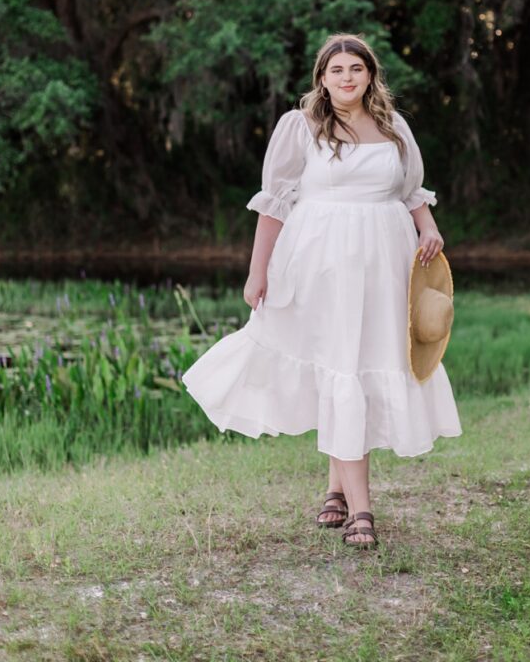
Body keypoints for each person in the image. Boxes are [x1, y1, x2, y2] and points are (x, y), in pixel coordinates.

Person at [182, 33, 462, 548]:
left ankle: (336, 490)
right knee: (339, 364)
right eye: (338, 70)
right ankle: (361, 511)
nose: (348, 78)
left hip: (384, 262)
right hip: (321, 262)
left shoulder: (392, 126)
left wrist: (427, 226)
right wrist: (256, 272)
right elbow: (274, 204)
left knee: (360, 363)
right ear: (323, 77)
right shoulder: (302, 126)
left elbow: (409, 191)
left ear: (370, 75)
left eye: (356, 68)